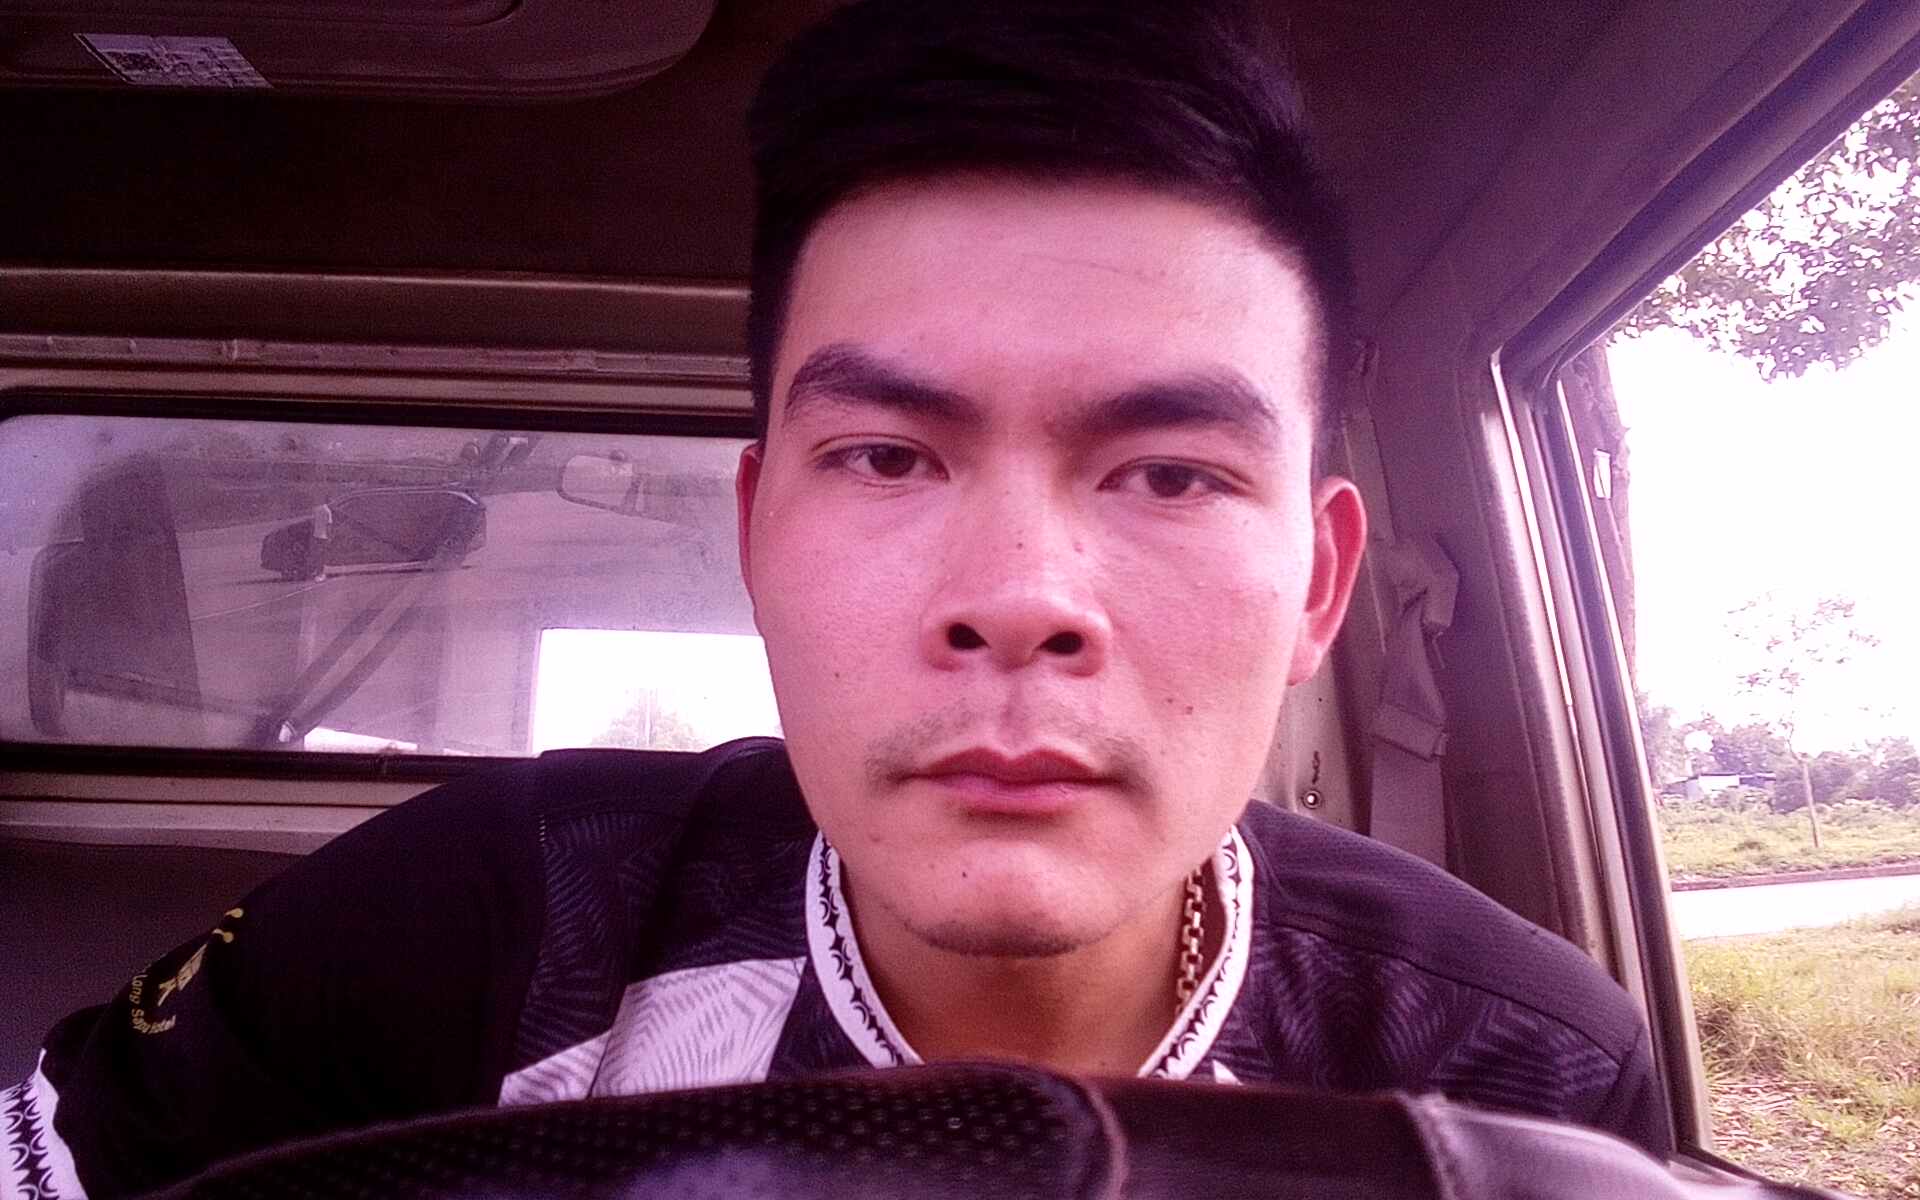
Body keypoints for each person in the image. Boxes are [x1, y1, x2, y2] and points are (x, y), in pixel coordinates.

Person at [1, 2, 1671, 1196]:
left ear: (1318, 581)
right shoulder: (459, 928)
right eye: (887, 457)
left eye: (1169, 473)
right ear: (755, 532)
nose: (1020, 600)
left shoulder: (1511, 1074)